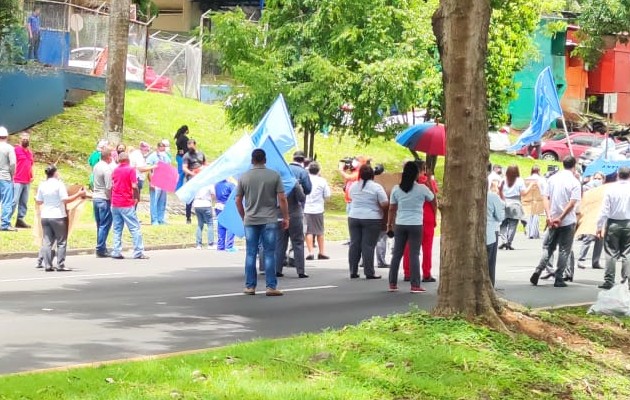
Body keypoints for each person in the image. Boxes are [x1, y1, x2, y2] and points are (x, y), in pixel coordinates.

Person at [235, 149, 289, 296]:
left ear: (252, 160)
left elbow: (238, 200)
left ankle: (250, 286)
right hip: (269, 219)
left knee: (251, 253)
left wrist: (243, 216)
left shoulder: (244, 177)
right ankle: (271, 287)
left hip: (251, 219)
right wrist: (286, 217)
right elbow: (282, 198)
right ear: (265, 160)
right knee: (270, 253)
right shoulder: (274, 175)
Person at [530, 156, 581, 288]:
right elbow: (572, 203)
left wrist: (549, 215)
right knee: (564, 250)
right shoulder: (574, 182)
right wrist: (562, 217)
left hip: (552, 219)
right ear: (574, 166)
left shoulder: (552, 179)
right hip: (567, 220)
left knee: (549, 247)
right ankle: (559, 277)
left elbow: (545, 197)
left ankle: (538, 269)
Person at [387, 161, 434, 292]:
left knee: (397, 254)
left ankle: (392, 283)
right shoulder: (422, 188)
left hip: (400, 223)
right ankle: (415, 285)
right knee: (414, 254)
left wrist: (389, 225)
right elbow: (432, 198)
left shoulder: (396, 189)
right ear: (416, 174)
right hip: (416, 224)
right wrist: (429, 180)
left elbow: (391, 208)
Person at [36, 165, 86, 271]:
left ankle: (48, 265)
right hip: (58, 215)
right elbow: (65, 200)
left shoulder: (42, 185)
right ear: (55, 173)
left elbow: (39, 201)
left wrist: (48, 200)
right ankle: (60, 264)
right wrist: (78, 194)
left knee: (47, 241)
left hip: (45, 215)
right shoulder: (59, 185)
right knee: (61, 241)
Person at [347, 165, 388, 280]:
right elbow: (385, 202)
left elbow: (350, 197)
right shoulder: (376, 187)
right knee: (368, 246)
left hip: (354, 216)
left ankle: (353, 271)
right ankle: (369, 272)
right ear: (372, 175)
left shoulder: (354, 186)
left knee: (354, 244)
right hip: (372, 218)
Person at [402, 160, 439, 282]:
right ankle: (426, 273)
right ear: (423, 170)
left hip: (410, 219)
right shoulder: (429, 183)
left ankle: (408, 272)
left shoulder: (406, 184)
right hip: (427, 218)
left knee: (409, 247)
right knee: (427, 247)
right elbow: (434, 201)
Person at [596, 167, 630, 290]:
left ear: (617, 175)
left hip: (613, 223)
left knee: (611, 253)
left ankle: (609, 280)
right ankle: (627, 280)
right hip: (628, 222)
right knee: (627, 253)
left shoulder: (611, 189)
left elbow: (604, 210)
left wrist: (599, 227)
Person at [110, 152, 148, 260]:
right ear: (128, 160)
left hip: (115, 202)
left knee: (117, 228)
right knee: (134, 227)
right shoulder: (131, 169)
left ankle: (116, 251)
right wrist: (136, 197)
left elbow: (112, 184)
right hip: (126, 202)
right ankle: (138, 252)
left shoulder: (115, 170)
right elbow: (134, 185)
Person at [499, 165, 535, 250]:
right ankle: (509, 242)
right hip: (515, 204)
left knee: (503, 224)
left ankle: (504, 241)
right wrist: (531, 185)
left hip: (504, 203)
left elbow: (499, 190)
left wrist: (502, 198)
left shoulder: (503, 179)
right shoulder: (519, 181)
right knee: (513, 224)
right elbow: (524, 193)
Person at [577, 172, 605, 270]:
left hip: (601, 217)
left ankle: (595, 261)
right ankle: (581, 259)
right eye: (596, 178)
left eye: (599, 178)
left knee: (600, 239)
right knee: (588, 238)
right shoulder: (588, 189)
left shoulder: (604, 190)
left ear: (603, 180)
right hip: (590, 216)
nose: (597, 180)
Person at [304, 162, 331, 260]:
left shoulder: (305, 180)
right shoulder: (322, 181)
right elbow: (327, 195)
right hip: (318, 208)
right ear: (318, 170)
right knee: (320, 231)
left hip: (306, 208)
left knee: (308, 231)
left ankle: (310, 252)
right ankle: (321, 252)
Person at [92, 146, 114, 257]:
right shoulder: (107, 169)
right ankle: (100, 248)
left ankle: (101, 245)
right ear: (108, 157)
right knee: (105, 225)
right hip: (104, 198)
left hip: (95, 197)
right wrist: (111, 199)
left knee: (99, 224)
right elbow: (108, 186)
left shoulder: (96, 166)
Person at [11, 132, 34, 229]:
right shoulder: (15, 150)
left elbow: (31, 165)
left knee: (24, 202)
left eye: (27, 138)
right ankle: (6, 220)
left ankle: (20, 220)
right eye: (23, 138)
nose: (25, 140)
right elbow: (11, 163)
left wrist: (32, 175)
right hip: (17, 179)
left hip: (27, 180)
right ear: (19, 139)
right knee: (14, 201)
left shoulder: (29, 152)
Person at [146, 141, 171, 225]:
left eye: (164, 149)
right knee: (154, 200)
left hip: (163, 181)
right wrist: (151, 181)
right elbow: (148, 169)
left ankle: (161, 218)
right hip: (155, 180)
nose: (162, 151)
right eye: (161, 149)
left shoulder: (166, 157)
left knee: (162, 201)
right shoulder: (152, 156)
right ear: (158, 148)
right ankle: (154, 219)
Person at [182, 139, 207, 224]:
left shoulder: (201, 154)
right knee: (190, 198)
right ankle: (188, 217)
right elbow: (184, 167)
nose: (190, 147)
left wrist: (204, 169)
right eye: (189, 146)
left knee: (202, 196)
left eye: (191, 145)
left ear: (195, 145)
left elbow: (205, 164)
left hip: (201, 177)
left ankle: (203, 217)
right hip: (191, 178)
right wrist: (192, 173)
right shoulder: (186, 155)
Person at [487, 179, 505, 287]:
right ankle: (490, 285)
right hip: (491, 232)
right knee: (490, 264)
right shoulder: (493, 197)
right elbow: (500, 217)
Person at [0, 126, 16, 231]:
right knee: (6, 201)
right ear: (7, 136)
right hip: (5, 177)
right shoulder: (9, 148)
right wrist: (12, 174)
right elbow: (13, 163)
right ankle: (5, 224)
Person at [524, 166, 547, 239]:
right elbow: (545, 188)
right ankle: (534, 233)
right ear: (538, 171)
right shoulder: (541, 179)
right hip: (538, 198)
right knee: (536, 216)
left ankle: (529, 232)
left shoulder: (527, 179)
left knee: (529, 215)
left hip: (529, 198)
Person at [214, 179, 236, 251]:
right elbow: (235, 195)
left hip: (218, 206)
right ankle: (229, 245)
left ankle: (220, 245)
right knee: (231, 226)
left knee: (221, 225)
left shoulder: (217, 185)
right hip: (227, 206)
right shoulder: (230, 185)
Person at [193, 184, 215, 249]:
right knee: (210, 224)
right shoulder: (209, 184)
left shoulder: (197, 182)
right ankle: (210, 244)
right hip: (206, 204)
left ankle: (198, 244)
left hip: (197, 204)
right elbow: (213, 194)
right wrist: (213, 202)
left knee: (200, 224)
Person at [174, 125, 190, 190]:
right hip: (183, 157)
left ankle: (179, 187)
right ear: (186, 130)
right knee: (181, 173)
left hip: (179, 156)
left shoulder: (179, 137)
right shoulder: (185, 138)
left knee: (181, 172)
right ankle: (178, 188)